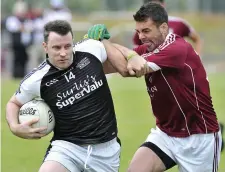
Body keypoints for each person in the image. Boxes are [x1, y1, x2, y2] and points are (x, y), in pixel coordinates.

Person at [86, 3, 222, 172]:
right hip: (166, 134)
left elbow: (129, 69)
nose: (141, 36)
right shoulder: (147, 48)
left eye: (146, 31)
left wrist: (106, 43)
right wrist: (91, 51)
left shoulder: (177, 48)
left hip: (199, 137)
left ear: (164, 28)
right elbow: (111, 66)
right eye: (138, 32)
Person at [6, 20, 136, 172]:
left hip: (106, 151)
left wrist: (110, 44)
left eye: (67, 46)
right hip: (67, 148)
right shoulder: (37, 79)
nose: (63, 53)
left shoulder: (91, 49)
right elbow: (13, 103)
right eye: (56, 47)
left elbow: (124, 68)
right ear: (45, 47)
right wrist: (15, 128)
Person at [133, 0, 202, 56]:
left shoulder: (179, 23)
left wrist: (197, 56)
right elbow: (136, 50)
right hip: (155, 68)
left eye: (157, 6)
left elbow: (197, 39)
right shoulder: (142, 30)